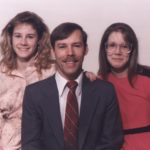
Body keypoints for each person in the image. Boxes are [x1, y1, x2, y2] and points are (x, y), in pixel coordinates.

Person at [21, 22, 123, 150]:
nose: (70, 52)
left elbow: (111, 143)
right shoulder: (34, 94)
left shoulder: (105, 91)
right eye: (62, 46)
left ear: (85, 49)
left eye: (76, 45)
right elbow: (31, 144)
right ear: (53, 52)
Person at [0, 11, 56, 150]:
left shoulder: (53, 70)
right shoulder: (1, 72)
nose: (23, 42)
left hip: (44, 144)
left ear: (39, 39)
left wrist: (87, 76)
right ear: (10, 38)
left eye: (30, 37)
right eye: (18, 36)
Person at [98, 22, 150, 150]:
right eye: (112, 45)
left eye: (124, 46)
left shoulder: (147, 76)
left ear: (132, 50)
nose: (117, 52)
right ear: (104, 49)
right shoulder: (98, 82)